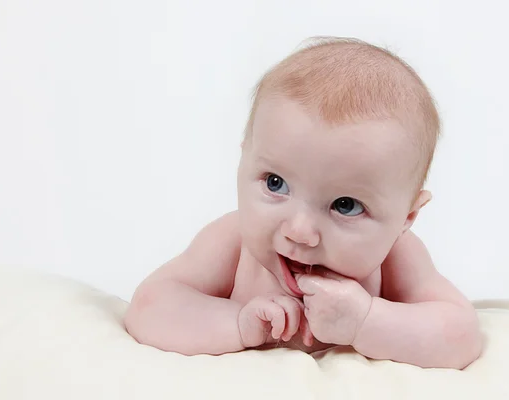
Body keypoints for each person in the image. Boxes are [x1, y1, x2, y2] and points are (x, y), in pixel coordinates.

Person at [124, 37, 483, 369]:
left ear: (406, 218)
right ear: (243, 161)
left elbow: (462, 335)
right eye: (275, 183)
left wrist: (366, 321)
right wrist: (236, 322)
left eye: (345, 205)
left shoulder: (397, 257)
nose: (300, 232)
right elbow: (150, 306)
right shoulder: (232, 242)